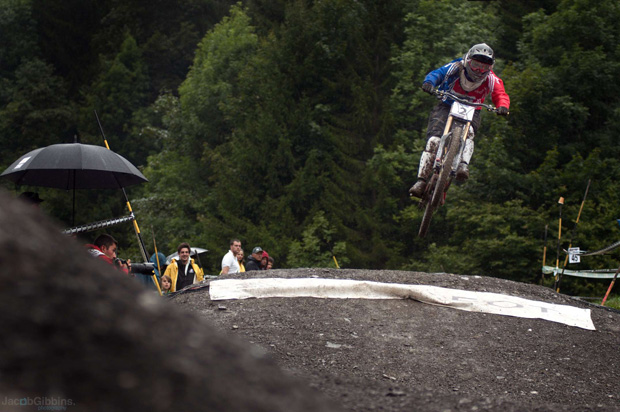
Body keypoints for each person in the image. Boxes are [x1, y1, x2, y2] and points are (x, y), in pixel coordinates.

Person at [409, 43, 510, 198]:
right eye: (476, 65)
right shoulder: (456, 67)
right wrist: (429, 83)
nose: (479, 70)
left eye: (484, 67)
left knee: (469, 134)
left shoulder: (491, 78)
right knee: (434, 141)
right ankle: (421, 181)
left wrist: (502, 106)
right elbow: (438, 73)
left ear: (490, 68)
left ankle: (463, 165)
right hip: (446, 105)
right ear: (468, 60)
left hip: (473, 109)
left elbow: (500, 93)